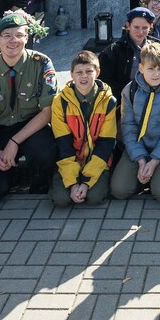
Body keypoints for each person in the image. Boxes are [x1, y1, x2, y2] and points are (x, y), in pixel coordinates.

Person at [0, 13, 58, 205]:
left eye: (19, 35)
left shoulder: (42, 64)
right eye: (7, 35)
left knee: (44, 152)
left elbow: (47, 112)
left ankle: (40, 177)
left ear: (27, 38)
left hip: (31, 127)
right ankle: (10, 174)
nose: (13, 40)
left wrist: (14, 142)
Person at [110, 41, 160, 203]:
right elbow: (128, 127)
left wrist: (153, 162)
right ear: (141, 68)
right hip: (139, 147)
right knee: (119, 190)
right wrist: (140, 160)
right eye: (151, 69)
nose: (156, 74)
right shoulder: (130, 90)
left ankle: (156, 176)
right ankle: (142, 178)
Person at [49, 49, 116, 205]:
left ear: (97, 73)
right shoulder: (60, 102)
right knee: (61, 200)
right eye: (79, 72)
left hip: (97, 162)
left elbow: (106, 144)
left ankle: (93, 182)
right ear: (71, 75)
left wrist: (86, 182)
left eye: (89, 71)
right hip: (69, 161)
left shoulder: (108, 101)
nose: (84, 76)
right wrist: (72, 183)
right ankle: (60, 183)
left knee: (94, 198)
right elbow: (63, 145)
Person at [98, 7, 156, 100]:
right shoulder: (113, 51)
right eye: (136, 27)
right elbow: (104, 81)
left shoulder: (158, 49)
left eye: (145, 28)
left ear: (151, 27)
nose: (140, 32)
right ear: (128, 25)